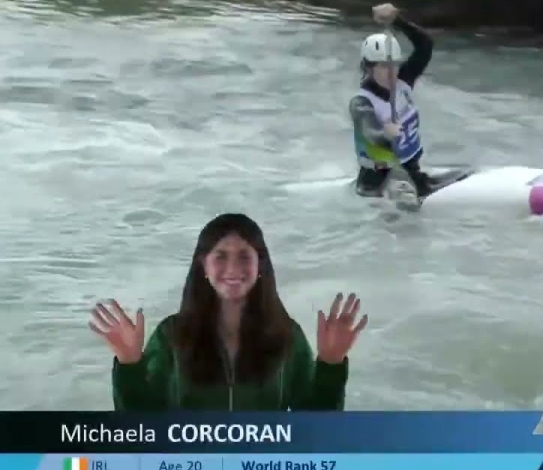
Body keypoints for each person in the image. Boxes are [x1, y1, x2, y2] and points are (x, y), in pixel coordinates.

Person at [89, 213, 369, 410]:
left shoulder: (286, 336)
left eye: (244, 256)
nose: (233, 269)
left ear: (261, 265)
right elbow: (141, 430)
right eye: (221, 256)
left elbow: (315, 431)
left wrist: (330, 365)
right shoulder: (171, 335)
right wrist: (129, 365)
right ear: (203, 265)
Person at [350, 3, 435, 199]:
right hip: (377, 182)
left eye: (394, 65)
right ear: (369, 68)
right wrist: (385, 133)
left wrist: (397, 20)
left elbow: (425, 45)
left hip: (411, 172)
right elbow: (370, 131)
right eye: (383, 66)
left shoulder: (403, 80)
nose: (391, 72)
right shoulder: (361, 103)